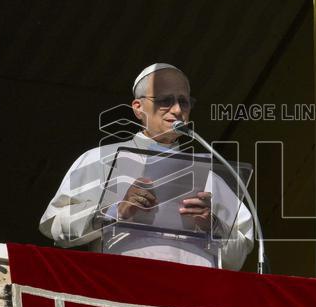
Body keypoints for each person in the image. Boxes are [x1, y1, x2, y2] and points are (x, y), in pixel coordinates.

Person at [39, 63, 254, 270]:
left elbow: (239, 255)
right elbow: (56, 226)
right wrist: (114, 211)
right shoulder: (99, 159)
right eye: (165, 100)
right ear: (138, 108)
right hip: (125, 286)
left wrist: (213, 226)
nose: (178, 109)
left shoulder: (210, 175)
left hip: (195, 294)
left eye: (184, 101)